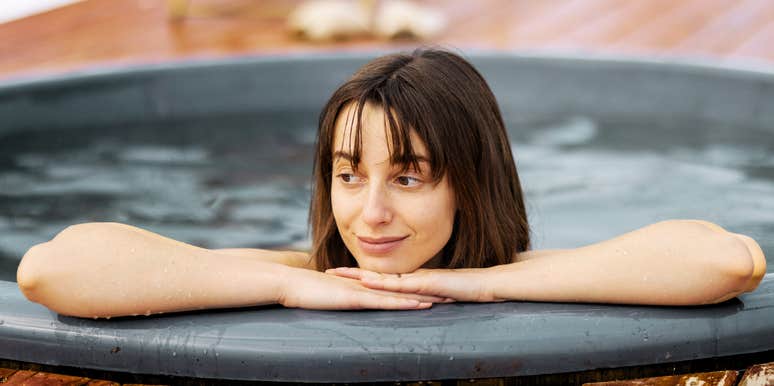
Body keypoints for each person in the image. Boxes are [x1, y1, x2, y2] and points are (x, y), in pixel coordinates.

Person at [16, 49, 767, 319]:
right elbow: (50, 269)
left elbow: (726, 262)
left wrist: (478, 285)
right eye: (348, 175)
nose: (368, 213)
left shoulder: (518, 277)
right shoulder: (293, 274)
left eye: (408, 176)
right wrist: (290, 289)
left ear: (469, 185)